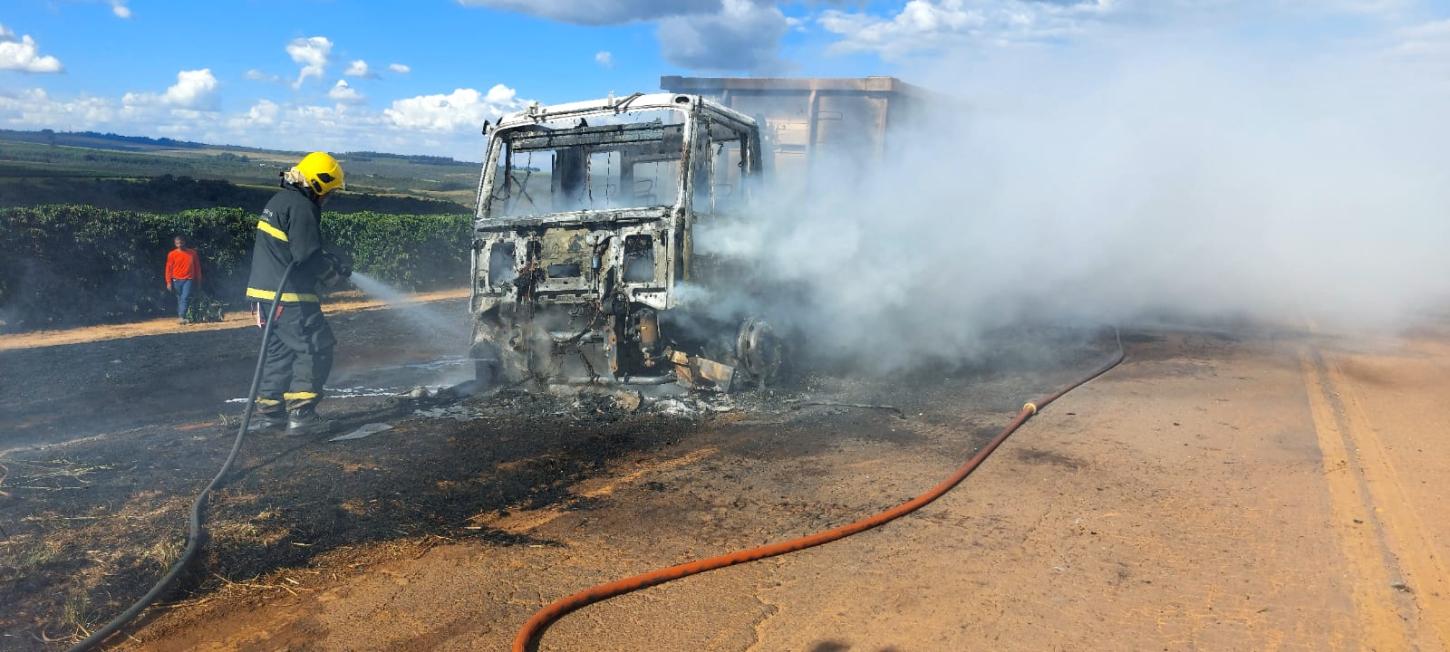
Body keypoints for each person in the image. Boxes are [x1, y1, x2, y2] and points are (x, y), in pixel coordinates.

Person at [245, 152, 350, 435]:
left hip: (265, 297)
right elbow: (306, 255)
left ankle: (271, 414)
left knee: (279, 353)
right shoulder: (302, 206)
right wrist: (332, 273)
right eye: (328, 192)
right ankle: (302, 414)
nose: (328, 198)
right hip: (290, 297)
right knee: (315, 346)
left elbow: (291, 249)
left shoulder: (279, 202)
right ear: (318, 184)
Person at [164, 235, 202, 324]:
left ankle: (182, 316)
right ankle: (181, 316)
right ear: (175, 244)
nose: (179, 245)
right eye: (177, 243)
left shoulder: (192, 253)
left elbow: (197, 268)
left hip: (189, 279)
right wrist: (168, 282)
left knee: (185, 297)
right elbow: (168, 269)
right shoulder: (172, 254)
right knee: (180, 298)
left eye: (181, 242)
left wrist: (199, 280)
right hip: (176, 280)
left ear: (184, 242)